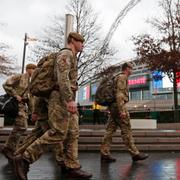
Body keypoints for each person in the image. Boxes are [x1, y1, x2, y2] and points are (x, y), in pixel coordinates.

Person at [14, 32, 92, 180]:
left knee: (73, 132)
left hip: (65, 97)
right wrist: (69, 99)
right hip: (60, 97)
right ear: (73, 40)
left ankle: (71, 166)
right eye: (81, 41)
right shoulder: (66, 54)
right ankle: (25, 158)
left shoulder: (71, 56)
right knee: (58, 132)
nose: (83, 44)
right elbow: (62, 77)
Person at [100, 62, 149, 162]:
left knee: (110, 130)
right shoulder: (122, 77)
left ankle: (104, 153)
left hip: (113, 106)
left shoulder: (116, 77)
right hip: (118, 107)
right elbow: (119, 94)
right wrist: (121, 110)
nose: (132, 71)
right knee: (126, 130)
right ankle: (135, 153)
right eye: (131, 69)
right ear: (127, 69)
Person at [1, 63, 36, 162]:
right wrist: (15, 95)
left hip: (23, 106)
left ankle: (10, 148)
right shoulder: (19, 77)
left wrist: (32, 112)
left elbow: (31, 99)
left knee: (21, 127)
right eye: (33, 69)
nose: (34, 71)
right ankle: (8, 148)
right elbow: (6, 85)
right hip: (15, 104)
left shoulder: (32, 82)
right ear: (28, 69)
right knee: (22, 126)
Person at [14, 96, 64, 165]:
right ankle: (61, 160)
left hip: (46, 114)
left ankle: (18, 154)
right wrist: (35, 112)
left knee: (34, 136)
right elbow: (39, 96)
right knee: (54, 136)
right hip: (47, 115)